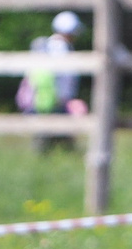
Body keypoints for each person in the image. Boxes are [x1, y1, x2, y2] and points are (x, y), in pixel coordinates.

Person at [18, 9, 90, 152]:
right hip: (57, 99)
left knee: (48, 134)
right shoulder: (62, 49)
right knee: (57, 135)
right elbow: (66, 77)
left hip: (41, 97)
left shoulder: (45, 46)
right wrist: (65, 98)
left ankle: (49, 158)